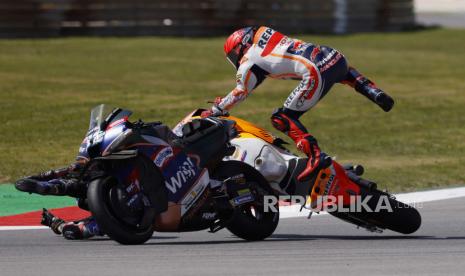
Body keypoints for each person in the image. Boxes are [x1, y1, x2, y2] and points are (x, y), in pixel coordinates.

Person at [202, 26, 394, 180]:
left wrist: (216, 109)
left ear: (240, 46)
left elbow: (241, 92)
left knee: (281, 117)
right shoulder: (264, 32)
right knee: (341, 71)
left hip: (315, 71)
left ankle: (315, 156)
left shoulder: (248, 61)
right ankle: (374, 92)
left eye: (234, 55)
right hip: (333, 55)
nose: (235, 60)